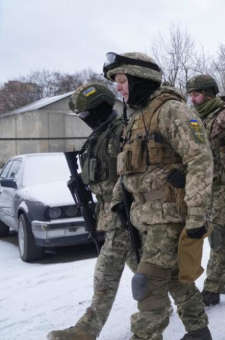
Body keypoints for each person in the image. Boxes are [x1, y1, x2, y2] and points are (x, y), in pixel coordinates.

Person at [105, 52, 213, 340]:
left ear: (141, 79)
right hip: (143, 217)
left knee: (148, 284)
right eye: (116, 81)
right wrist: (117, 206)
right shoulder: (137, 118)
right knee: (177, 279)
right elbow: (129, 171)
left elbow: (200, 160)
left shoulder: (173, 111)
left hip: (170, 217)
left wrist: (196, 216)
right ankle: (199, 330)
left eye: (123, 80)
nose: (119, 87)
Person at [48, 83, 139, 340]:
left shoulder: (122, 132)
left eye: (86, 115)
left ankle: (87, 330)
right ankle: (185, 300)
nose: (85, 120)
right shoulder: (99, 136)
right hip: (109, 214)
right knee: (145, 268)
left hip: (124, 215)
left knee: (105, 274)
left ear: (99, 109)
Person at [185, 74, 225, 307]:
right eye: (191, 94)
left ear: (209, 93)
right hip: (207, 185)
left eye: (197, 94)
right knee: (224, 232)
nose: (193, 98)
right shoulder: (197, 118)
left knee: (218, 234)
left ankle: (213, 287)